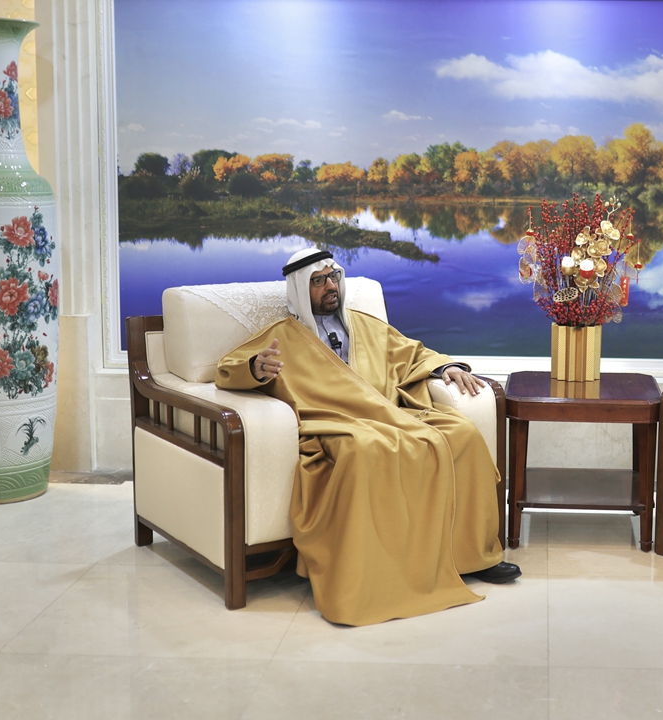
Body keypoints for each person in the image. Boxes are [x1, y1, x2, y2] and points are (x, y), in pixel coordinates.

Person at [216, 248, 519, 626]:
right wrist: (257, 369)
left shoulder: (365, 325)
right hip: (337, 425)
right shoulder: (281, 338)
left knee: (463, 434)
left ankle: (474, 558)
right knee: (365, 450)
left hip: (393, 414)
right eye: (318, 281)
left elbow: (412, 354)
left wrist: (448, 368)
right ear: (298, 290)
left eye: (333, 277)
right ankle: (372, 577)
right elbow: (228, 369)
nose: (330, 286)